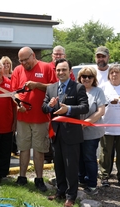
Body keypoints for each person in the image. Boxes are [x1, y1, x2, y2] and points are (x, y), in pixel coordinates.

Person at [42, 58, 89, 207]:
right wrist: (49, 106)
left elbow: (84, 107)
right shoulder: (51, 88)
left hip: (72, 134)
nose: (61, 72)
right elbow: (44, 107)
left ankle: (71, 196)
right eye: (58, 70)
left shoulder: (78, 87)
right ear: (55, 72)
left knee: (71, 167)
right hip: (56, 134)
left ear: (70, 71)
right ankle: (60, 191)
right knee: (59, 165)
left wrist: (68, 109)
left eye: (64, 70)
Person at [11, 46, 57, 192]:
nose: (24, 63)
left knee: (39, 149)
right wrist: (18, 104)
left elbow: (55, 88)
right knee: (23, 148)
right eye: (21, 60)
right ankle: (22, 177)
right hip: (23, 117)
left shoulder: (46, 68)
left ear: (33, 56)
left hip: (41, 117)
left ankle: (39, 178)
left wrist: (38, 85)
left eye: (26, 60)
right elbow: (14, 92)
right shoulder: (18, 70)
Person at [77, 66, 106, 195]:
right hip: (76, 132)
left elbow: (101, 111)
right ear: (80, 78)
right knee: (79, 158)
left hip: (92, 133)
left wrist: (86, 122)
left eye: (90, 76)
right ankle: (82, 179)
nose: (87, 79)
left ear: (94, 78)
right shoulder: (76, 90)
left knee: (89, 158)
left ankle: (92, 185)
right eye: (84, 76)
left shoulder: (98, 91)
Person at [45, 45, 75, 164]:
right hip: (49, 104)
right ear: (52, 55)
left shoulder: (67, 68)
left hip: (63, 106)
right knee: (49, 133)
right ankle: (48, 157)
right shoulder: (47, 67)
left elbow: (72, 85)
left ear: (64, 56)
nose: (57, 56)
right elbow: (45, 86)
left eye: (60, 54)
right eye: (55, 54)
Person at [0, 55, 19, 156]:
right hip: (3, 104)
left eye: (8, 63)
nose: (6, 65)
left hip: (13, 103)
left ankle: (14, 147)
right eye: (4, 63)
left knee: (13, 125)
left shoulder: (13, 75)